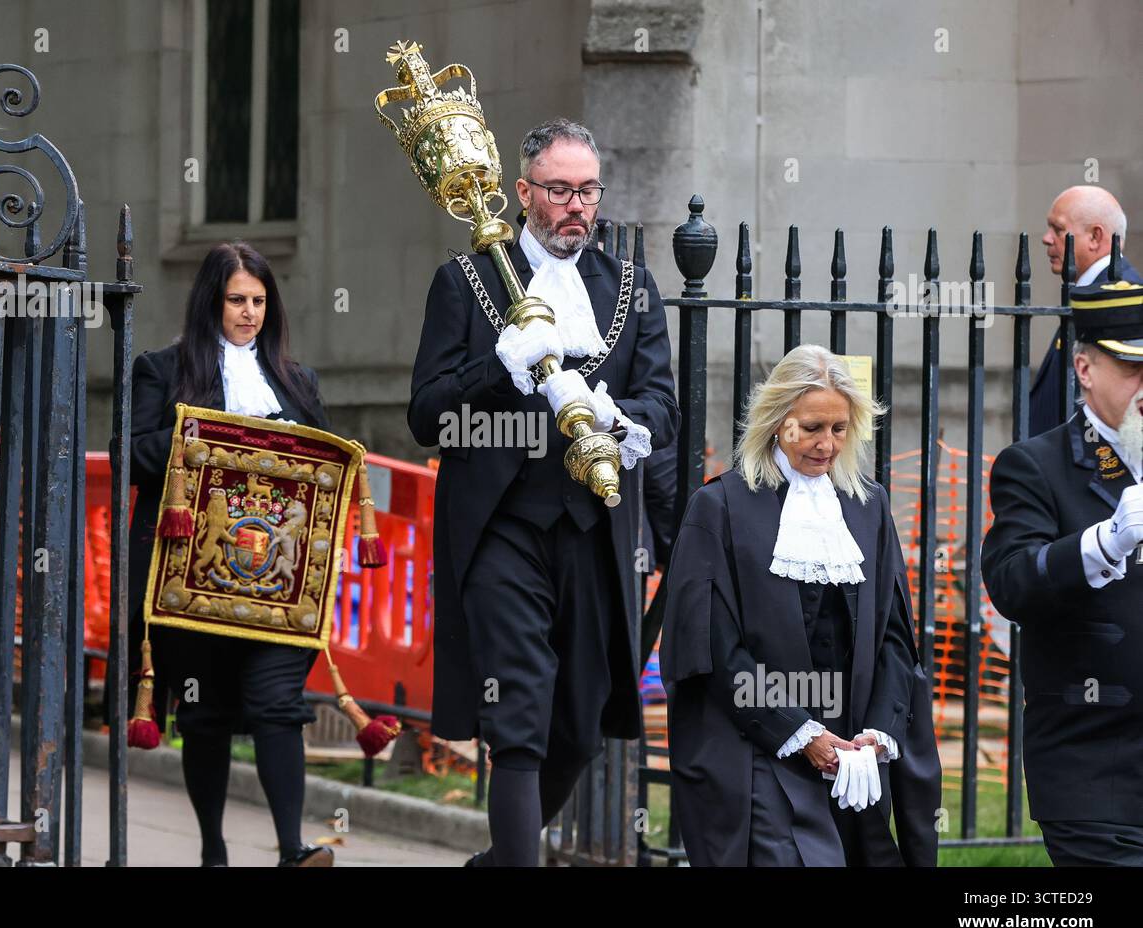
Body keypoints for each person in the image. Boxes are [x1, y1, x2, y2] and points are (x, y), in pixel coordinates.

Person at [408, 118, 679, 866]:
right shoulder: (465, 283)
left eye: (588, 190)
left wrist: (620, 418)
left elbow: (662, 403)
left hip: (596, 529)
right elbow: (430, 417)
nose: (577, 207)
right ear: (523, 192)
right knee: (518, 717)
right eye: (559, 190)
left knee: (581, 725)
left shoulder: (631, 286)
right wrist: (498, 366)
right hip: (502, 528)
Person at [660, 344, 941, 866]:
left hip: (853, 751)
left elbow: (895, 638)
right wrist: (798, 732)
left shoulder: (868, 506)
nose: (826, 444)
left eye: (839, 429)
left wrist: (876, 737)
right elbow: (712, 649)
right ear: (776, 422)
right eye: (811, 427)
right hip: (757, 748)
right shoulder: (718, 507)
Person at [125, 241, 333, 867]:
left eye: (259, 301)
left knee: (279, 706)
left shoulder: (299, 383)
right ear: (210, 302)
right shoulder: (162, 370)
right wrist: (203, 433)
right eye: (236, 300)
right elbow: (128, 452)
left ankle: (292, 849)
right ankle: (214, 851)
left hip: (281, 583)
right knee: (207, 714)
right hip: (192, 579)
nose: (249, 313)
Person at [982, 279, 1143, 866]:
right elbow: (1012, 580)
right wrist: (1105, 541)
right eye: (1132, 368)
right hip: (1097, 774)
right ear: (1084, 368)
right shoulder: (1037, 465)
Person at [1030, 185, 1138, 435]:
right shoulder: (1091, 290)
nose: (1046, 238)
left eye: (1057, 229)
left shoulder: (1120, 297)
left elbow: (1116, 406)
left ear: (1095, 237)